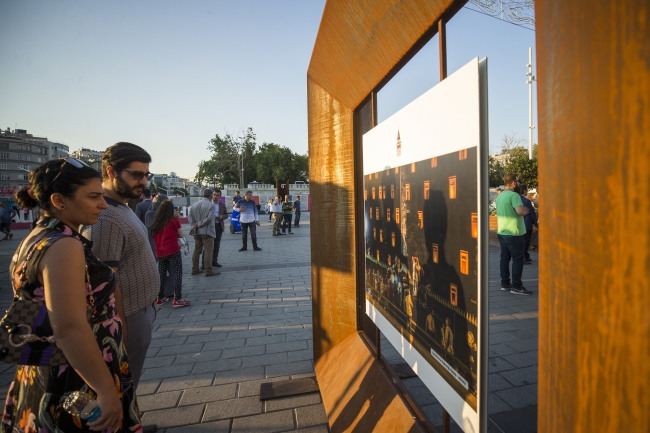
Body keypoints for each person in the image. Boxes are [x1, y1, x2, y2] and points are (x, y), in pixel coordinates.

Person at [2, 158, 141, 432]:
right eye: (93, 197)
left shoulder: (37, 237)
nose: (102, 204)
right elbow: (68, 327)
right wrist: (104, 390)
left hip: (48, 363)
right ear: (59, 200)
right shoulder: (64, 246)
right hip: (74, 374)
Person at [80, 142, 161, 432]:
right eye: (136, 175)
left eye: (146, 175)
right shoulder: (106, 217)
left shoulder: (121, 208)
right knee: (118, 385)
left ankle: (129, 423)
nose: (143, 182)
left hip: (139, 311)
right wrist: (120, 325)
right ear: (111, 171)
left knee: (128, 383)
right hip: (127, 319)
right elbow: (101, 282)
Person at [496, 173, 532, 295]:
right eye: (517, 181)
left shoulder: (500, 196)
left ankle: (505, 283)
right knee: (518, 259)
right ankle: (516, 286)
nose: (519, 183)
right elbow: (520, 211)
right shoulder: (514, 195)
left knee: (505, 258)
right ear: (512, 183)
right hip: (514, 232)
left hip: (502, 231)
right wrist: (527, 209)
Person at [151, 200, 189, 307]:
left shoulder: (157, 221)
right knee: (177, 273)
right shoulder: (173, 221)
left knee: (161, 275)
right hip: (173, 250)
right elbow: (181, 235)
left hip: (160, 252)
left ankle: (160, 297)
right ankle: (177, 298)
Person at [188, 189, 219, 276]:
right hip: (207, 231)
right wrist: (200, 224)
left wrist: (194, 225)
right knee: (208, 251)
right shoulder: (211, 205)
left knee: (196, 251)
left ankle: (195, 269)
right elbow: (209, 218)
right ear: (211, 196)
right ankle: (208, 270)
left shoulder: (194, 205)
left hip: (197, 232)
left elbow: (190, 217)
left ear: (202, 195)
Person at [201, 189, 228, 268]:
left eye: (217, 195)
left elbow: (226, 214)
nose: (215, 197)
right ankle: (204, 263)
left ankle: (214, 261)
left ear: (220, 196)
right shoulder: (207, 204)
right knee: (207, 245)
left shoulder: (222, 205)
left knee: (216, 245)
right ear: (212, 195)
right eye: (214, 195)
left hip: (218, 225)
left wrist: (221, 217)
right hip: (209, 226)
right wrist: (210, 217)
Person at [519, 184, 537, 264]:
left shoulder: (516, 199)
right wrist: (534, 222)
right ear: (524, 190)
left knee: (522, 241)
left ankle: (526, 256)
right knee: (526, 242)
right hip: (527, 223)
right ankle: (524, 257)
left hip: (519, 224)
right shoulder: (526, 201)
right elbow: (531, 213)